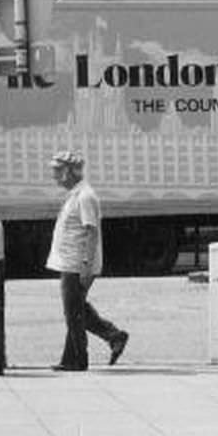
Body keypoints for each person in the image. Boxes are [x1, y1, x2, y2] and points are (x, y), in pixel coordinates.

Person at [46, 151, 129, 371]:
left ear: (69, 172)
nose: (54, 176)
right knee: (77, 309)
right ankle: (113, 337)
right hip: (71, 262)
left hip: (77, 264)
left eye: (57, 171)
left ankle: (77, 360)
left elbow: (91, 232)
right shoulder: (77, 194)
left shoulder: (85, 197)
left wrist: (85, 266)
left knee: (73, 312)